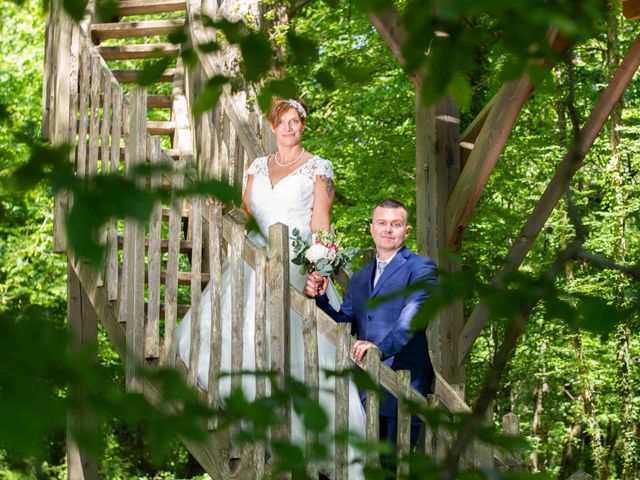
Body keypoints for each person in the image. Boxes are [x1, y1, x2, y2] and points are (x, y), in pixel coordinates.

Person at [176, 98, 365, 479]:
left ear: (303, 126)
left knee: (294, 339)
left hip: (297, 263)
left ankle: (304, 434)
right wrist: (222, 209)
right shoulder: (257, 167)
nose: (289, 128)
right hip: (253, 262)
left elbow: (321, 224)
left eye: (295, 121)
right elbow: (245, 216)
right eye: (282, 122)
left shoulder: (318, 169)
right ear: (272, 126)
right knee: (246, 332)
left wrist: (321, 264)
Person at [304, 199, 437, 448]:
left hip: (404, 383)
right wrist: (320, 299)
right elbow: (344, 323)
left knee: (397, 468)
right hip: (365, 387)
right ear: (372, 228)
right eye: (382, 223)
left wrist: (380, 349)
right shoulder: (361, 277)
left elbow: (413, 317)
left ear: (406, 231)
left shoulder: (422, 268)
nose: (388, 229)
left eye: (395, 224)